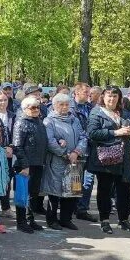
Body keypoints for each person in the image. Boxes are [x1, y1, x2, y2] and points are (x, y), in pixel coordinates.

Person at [86, 86, 130, 234]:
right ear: (103, 97)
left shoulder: (124, 113)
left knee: (124, 189)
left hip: (124, 157)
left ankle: (124, 220)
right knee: (105, 190)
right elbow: (92, 133)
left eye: (115, 96)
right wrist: (115, 132)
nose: (112, 99)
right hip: (105, 157)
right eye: (109, 96)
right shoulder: (96, 112)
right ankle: (105, 220)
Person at [40, 93, 86, 231]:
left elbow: (83, 137)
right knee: (55, 191)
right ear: (54, 106)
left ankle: (66, 219)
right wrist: (65, 154)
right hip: (57, 161)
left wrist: (76, 152)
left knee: (72, 190)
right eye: (61, 104)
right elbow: (50, 141)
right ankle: (52, 219)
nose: (65, 107)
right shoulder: (49, 121)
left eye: (67, 104)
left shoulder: (75, 120)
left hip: (74, 161)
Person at [12, 96, 48, 233]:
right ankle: (21, 222)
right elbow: (17, 146)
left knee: (33, 194)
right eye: (32, 107)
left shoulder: (39, 122)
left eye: (37, 107)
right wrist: (25, 165)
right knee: (22, 194)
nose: (36, 110)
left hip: (38, 163)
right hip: (25, 165)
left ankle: (30, 219)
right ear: (25, 108)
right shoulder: (21, 122)